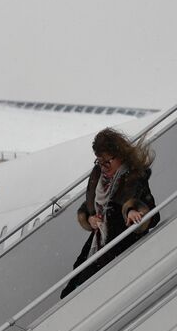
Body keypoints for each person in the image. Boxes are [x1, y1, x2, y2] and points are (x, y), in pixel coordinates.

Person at [61, 128, 158, 298]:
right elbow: (89, 206)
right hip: (99, 247)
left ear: (119, 156)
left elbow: (152, 213)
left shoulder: (133, 179)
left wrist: (133, 212)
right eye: (99, 162)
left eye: (107, 162)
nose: (103, 167)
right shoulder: (99, 180)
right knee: (72, 290)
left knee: (91, 293)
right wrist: (90, 218)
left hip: (121, 249)